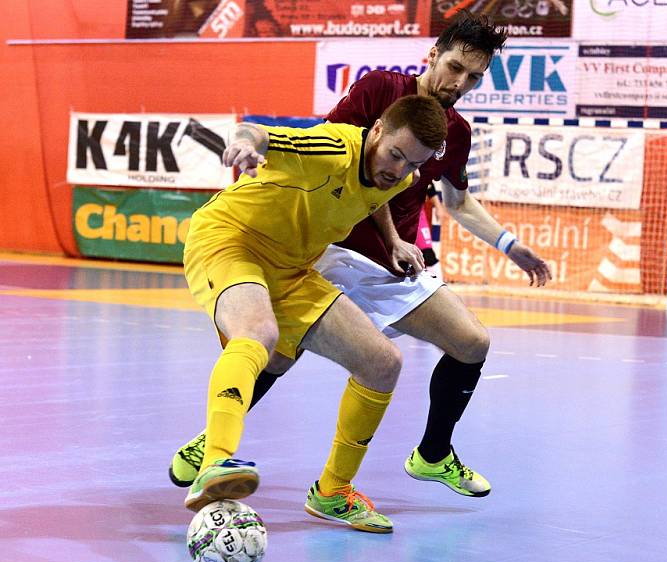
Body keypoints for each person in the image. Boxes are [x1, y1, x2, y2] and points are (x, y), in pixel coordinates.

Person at [170, 10, 551, 500]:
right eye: (455, 67)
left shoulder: (454, 133)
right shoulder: (379, 92)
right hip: (325, 249)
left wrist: (507, 245)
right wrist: (248, 141)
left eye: (474, 78)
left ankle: (425, 458)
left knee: (468, 343)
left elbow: (450, 198)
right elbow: (346, 165)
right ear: (434, 55)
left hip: (388, 265)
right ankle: (214, 447)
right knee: (273, 352)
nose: (460, 83)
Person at [178, 94, 448, 535]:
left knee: (383, 363)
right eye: (395, 154)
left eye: (409, 163)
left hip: (293, 267)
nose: (398, 170)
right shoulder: (331, 148)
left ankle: (333, 493)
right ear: (377, 130)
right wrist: (245, 143)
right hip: (231, 240)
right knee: (259, 334)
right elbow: (262, 135)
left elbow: (370, 193)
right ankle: (214, 462)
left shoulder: (400, 176)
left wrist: (394, 239)